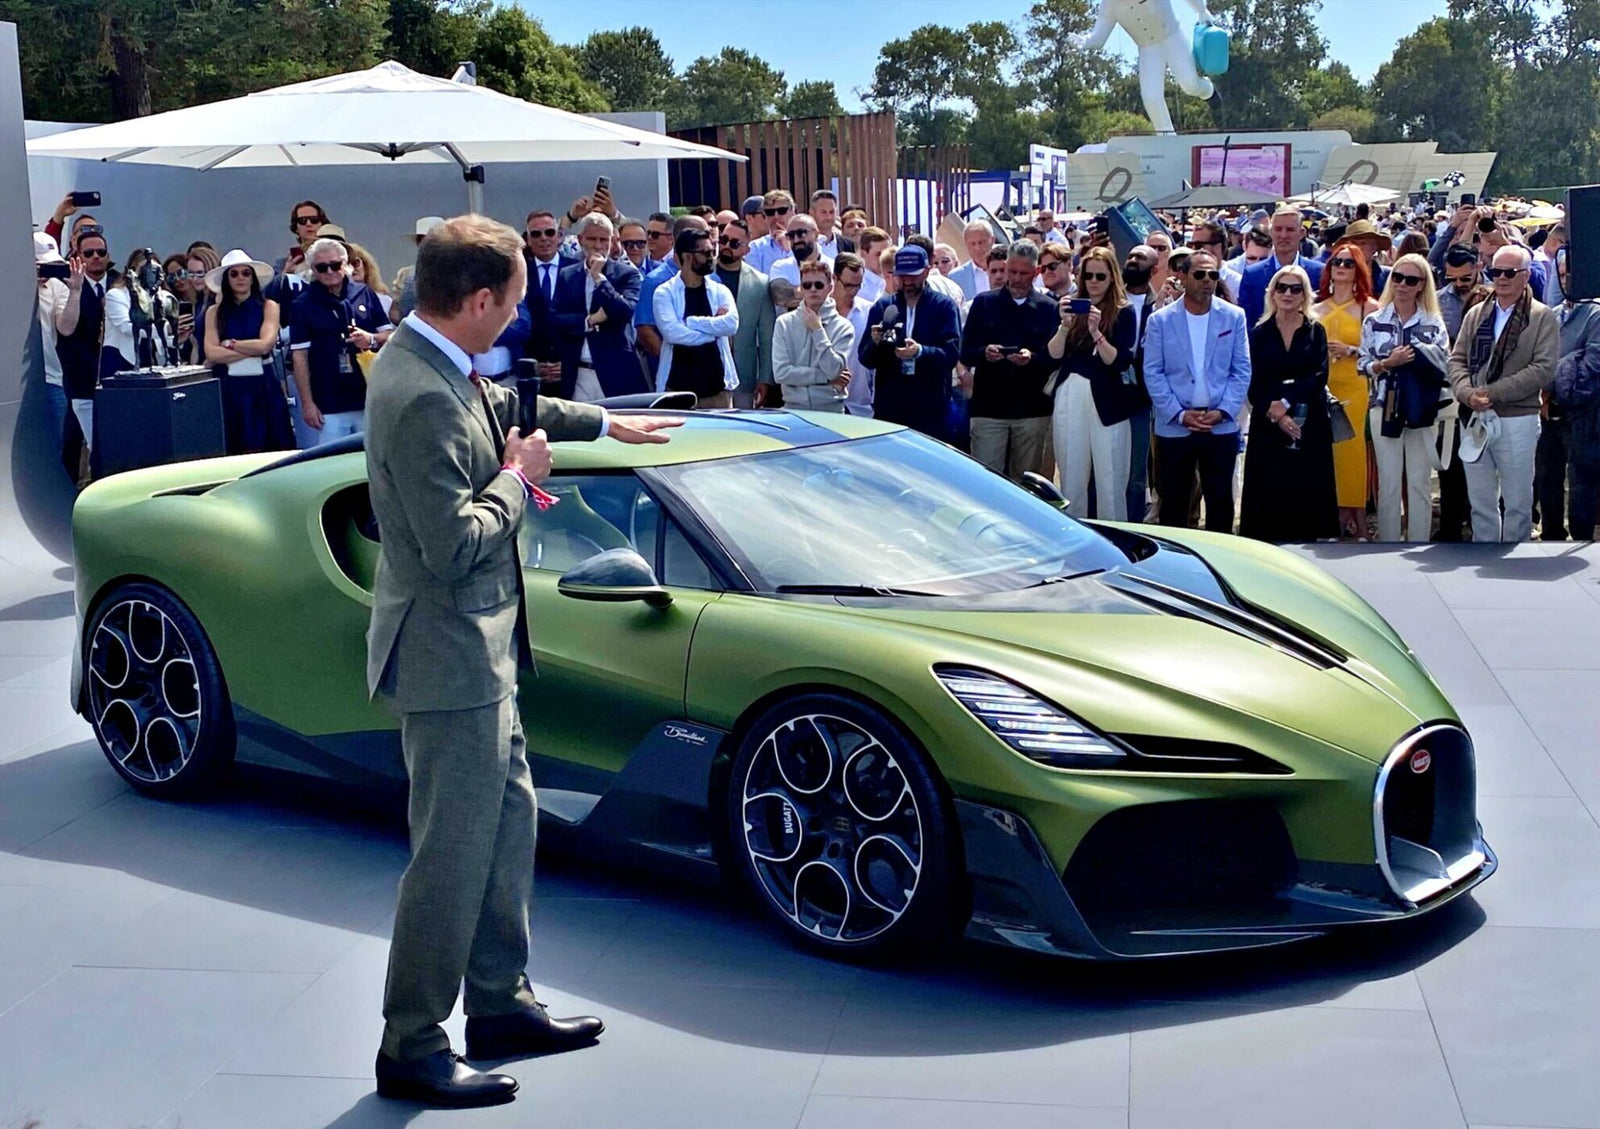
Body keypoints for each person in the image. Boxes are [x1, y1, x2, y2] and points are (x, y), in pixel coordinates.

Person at [364, 214, 680, 1109]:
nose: (514, 316)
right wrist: (518, 478)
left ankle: (499, 1003)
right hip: (449, 656)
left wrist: (607, 424)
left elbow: (510, 410)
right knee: (450, 856)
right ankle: (412, 1041)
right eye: (510, 299)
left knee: (506, 830)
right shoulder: (421, 392)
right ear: (475, 300)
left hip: (482, 652)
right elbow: (451, 543)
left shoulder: (434, 361)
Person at [1448, 244, 1560, 542]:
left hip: (1517, 419)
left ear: (1526, 276)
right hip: (1474, 417)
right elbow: (1456, 359)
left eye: (1509, 272)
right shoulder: (1475, 314)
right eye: (1496, 271)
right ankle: (1485, 555)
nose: (1502, 278)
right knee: (1481, 501)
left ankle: (1515, 559)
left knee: (1518, 502)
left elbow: (1543, 369)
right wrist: (1466, 393)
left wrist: (1491, 392)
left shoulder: (1542, 316)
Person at [1142, 250, 1252, 532]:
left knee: (1220, 503)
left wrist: (1224, 411)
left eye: (1213, 275)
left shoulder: (1234, 316)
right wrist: (1179, 414)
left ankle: (1222, 563)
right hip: (1176, 425)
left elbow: (1241, 370)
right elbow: (1153, 372)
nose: (1207, 280)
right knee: (1174, 504)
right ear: (1183, 276)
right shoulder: (1160, 320)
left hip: (1220, 424)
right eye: (1200, 274)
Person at [1239, 265, 1338, 542]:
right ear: (1272, 292)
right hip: (1269, 422)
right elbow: (1253, 378)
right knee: (1268, 488)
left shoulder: (1315, 331)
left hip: (1309, 419)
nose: (1288, 293)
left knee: (1307, 486)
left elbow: (1318, 375)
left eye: (1296, 288)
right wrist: (1278, 413)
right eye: (1282, 287)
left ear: (1305, 294)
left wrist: (1286, 401)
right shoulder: (1258, 333)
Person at [1359, 253, 1450, 542]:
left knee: (1420, 482)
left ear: (1422, 285)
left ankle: (1418, 543)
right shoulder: (1374, 321)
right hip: (1384, 406)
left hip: (1422, 408)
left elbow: (1445, 363)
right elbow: (1362, 364)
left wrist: (1420, 359)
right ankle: (1388, 544)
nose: (1402, 284)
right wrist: (1388, 363)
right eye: (1397, 277)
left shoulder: (1433, 322)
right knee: (1388, 482)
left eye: (1411, 280)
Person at [1047, 245, 1139, 518]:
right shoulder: (1069, 306)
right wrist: (1065, 325)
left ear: (1112, 277)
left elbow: (1119, 360)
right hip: (1071, 393)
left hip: (1108, 401)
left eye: (1101, 276)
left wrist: (1097, 332)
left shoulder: (1124, 311)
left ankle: (1115, 539)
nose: (1094, 283)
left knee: (1111, 478)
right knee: (1072, 477)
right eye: (1089, 276)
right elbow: (1053, 355)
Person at [960, 240, 1057, 481]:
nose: (1015, 278)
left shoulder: (1049, 308)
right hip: (989, 410)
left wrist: (1031, 358)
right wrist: (985, 353)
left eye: (1023, 273)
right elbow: (965, 352)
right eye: (1011, 271)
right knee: (985, 480)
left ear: (1036, 273)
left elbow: (1055, 358)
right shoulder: (983, 304)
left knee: (1026, 484)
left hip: (1032, 411)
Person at [289, 237, 392, 445]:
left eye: (335, 265)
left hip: (368, 398)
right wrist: (307, 404)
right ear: (313, 270)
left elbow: (390, 335)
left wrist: (370, 339)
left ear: (345, 265)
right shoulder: (302, 305)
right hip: (328, 402)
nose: (329, 272)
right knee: (332, 465)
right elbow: (299, 357)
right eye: (322, 267)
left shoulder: (364, 293)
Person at [1310, 241, 1380, 540]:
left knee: (1353, 453)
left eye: (1348, 263)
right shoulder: (1315, 307)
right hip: (1324, 386)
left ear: (1359, 269)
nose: (1341, 267)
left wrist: (1352, 350)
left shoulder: (1369, 307)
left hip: (1356, 385)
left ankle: (1360, 518)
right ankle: (1332, 518)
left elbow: (1380, 351)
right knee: (1328, 454)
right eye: (1336, 262)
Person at [858, 244, 963, 441]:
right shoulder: (883, 306)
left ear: (926, 271)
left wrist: (920, 352)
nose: (907, 281)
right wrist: (875, 342)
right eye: (903, 275)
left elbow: (951, 354)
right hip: (891, 408)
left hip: (930, 409)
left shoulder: (943, 307)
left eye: (913, 275)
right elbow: (865, 358)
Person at [203, 250, 294, 454]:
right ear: (226, 280)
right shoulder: (214, 312)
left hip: (263, 386)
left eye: (246, 273)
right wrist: (250, 349)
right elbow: (211, 353)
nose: (241, 278)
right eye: (234, 274)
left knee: (272, 444)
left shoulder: (269, 306)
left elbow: (265, 345)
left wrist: (230, 344)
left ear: (253, 277)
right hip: (229, 388)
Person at [551, 213, 644, 402]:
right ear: (580, 239)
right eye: (592, 239)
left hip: (615, 371)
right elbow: (554, 319)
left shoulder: (626, 275)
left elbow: (624, 312)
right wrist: (588, 321)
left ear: (613, 241)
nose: (599, 245)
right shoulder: (567, 275)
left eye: (604, 240)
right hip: (577, 372)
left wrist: (599, 279)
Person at [654, 227, 740, 408]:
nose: (711, 257)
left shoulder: (719, 290)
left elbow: (731, 325)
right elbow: (674, 334)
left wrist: (692, 322)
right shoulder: (664, 293)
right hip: (677, 390)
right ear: (687, 256)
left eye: (712, 251)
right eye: (705, 253)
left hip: (718, 391)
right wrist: (714, 331)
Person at [1554, 246, 1600, 540]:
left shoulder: (1596, 314)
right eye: (1560, 275)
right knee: (1548, 478)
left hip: (1585, 410)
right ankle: (1551, 534)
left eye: (1570, 274)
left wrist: (1557, 375)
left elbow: (1592, 363)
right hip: (1550, 409)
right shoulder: (1552, 314)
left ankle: (1582, 535)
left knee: (1581, 479)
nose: (1565, 280)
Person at [771, 259, 853, 411]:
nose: (813, 289)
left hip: (831, 410)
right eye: (807, 285)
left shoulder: (843, 326)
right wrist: (825, 379)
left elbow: (833, 369)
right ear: (801, 288)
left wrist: (818, 331)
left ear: (830, 287)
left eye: (819, 285)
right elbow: (781, 373)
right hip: (793, 409)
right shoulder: (784, 323)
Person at [714, 218, 775, 408]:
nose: (726, 246)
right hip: (706, 370)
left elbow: (767, 335)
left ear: (746, 249)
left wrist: (765, 378)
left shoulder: (760, 282)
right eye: (723, 240)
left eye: (734, 243)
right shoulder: (703, 273)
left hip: (743, 375)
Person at [1121, 245, 1160, 522]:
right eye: (1131, 256)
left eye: (1141, 258)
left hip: (1141, 399)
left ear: (1154, 269)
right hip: (1108, 393)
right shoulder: (1109, 298)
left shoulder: (1160, 307)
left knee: (1136, 473)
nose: (1133, 261)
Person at [1238, 209, 1325, 327]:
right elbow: (1247, 323)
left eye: (1290, 230)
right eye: (1278, 229)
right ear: (1271, 232)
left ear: (1302, 233)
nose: (1283, 235)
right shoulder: (1253, 275)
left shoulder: (1318, 273)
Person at [34, 233, 70, 449]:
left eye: (51, 266)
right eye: (41, 265)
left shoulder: (57, 287)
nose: (46, 272)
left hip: (50, 376)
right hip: (12, 383)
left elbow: (65, 327)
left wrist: (74, 290)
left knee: (55, 448)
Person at [834, 252, 876, 417]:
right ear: (834, 278)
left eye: (858, 286)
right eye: (848, 285)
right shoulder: (818, 312)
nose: (853, 291)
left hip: (862, 406)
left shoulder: (869, 311)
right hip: (826, 404)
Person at [392, 216, 446, 319]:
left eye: (435, 242)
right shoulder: (406, 274)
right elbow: (394, 311)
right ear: (418, 243)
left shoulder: (459, 272)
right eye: (423, 241)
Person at [767, 213, 834, 286]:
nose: (796, 240)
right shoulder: (781, 267)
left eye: (801, 233)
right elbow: (779, 293)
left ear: (816, 234)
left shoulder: (833, 267)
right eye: (791, 235)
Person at [345, 242, 396, 323]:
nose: (352, 268)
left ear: (365, 265)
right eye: (346, 264)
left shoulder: (384, 300)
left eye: (355, 263)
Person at [748, 190, 795, 274]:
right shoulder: (755, 248)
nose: (776, 216)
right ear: (765, 216)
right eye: (770, 212)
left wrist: (789, 250)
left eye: (782, 211)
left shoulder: (808, 242)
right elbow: (757, 282)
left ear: (793, 212)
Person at [950, 220, 997, 301]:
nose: (977, 248)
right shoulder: (955, 276)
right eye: (972, 243)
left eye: (981, 242)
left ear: (992, 240)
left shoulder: (1007, 270)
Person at [810, 189, 854, 257]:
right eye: (823, 212)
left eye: (831, 212)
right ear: (812, 213)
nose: (828, 216)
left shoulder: (847, 245)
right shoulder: (806, 243)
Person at [855, 226, 891, 304]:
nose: (883, 258)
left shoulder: (896, 280)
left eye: (887, 253)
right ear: (863, 253)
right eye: (878, 254)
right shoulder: (857, 287)